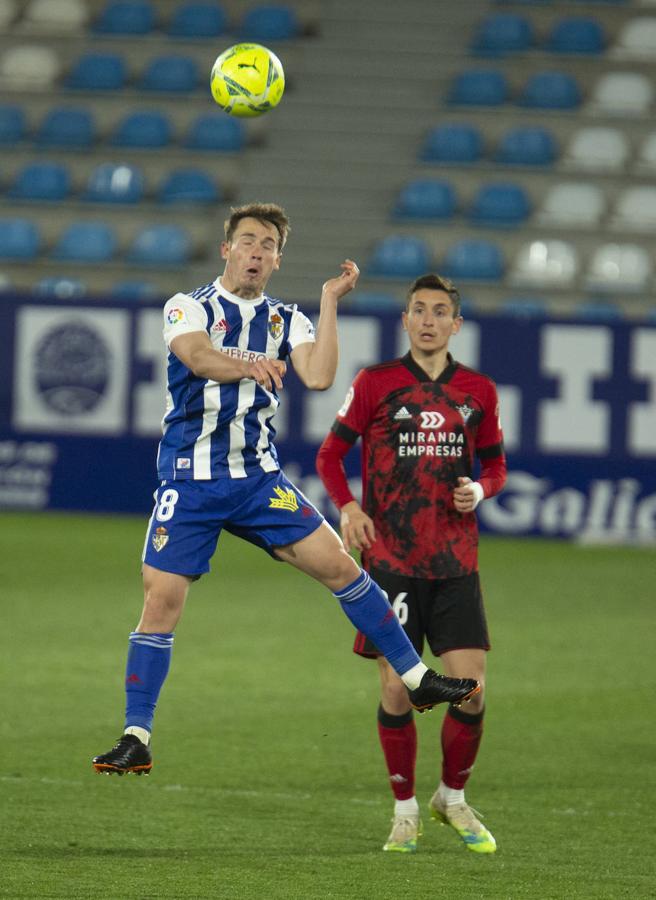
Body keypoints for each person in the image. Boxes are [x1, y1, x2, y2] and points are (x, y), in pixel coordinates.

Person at [92, 205, 479, 778]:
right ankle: (136, 735)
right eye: (246, 240)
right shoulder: (188, 306)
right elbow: (196, 356)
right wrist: (250, 364)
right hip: (190, 483)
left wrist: (328, 302)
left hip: (258, 481)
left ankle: (418, 680)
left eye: (267, 244)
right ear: (227, 250)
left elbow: (319, 375)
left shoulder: (285, 318)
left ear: (277, 259)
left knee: (342, 568)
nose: (255, 251)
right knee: (161, 602)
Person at [316, 273, 507, 855]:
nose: (428, 319)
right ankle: (403, 812)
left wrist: (481, 488)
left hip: (454, 563)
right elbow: (330, 456)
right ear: (405, 319)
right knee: (399, 693)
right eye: (418, 309)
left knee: (470, 691)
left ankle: (450, 798)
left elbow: (496, 465)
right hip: (391, 565)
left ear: (457, 324)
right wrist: (348, 508)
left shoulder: (478, 391)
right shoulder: (376, 383)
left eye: (440, 311)